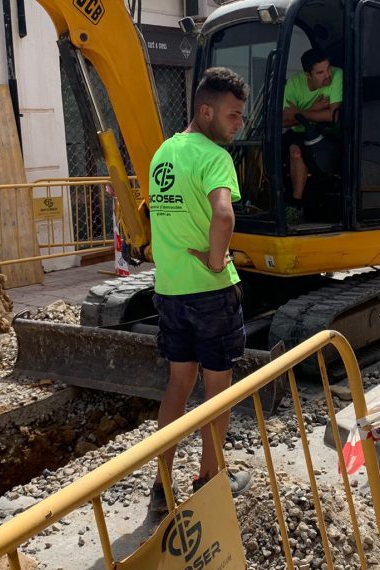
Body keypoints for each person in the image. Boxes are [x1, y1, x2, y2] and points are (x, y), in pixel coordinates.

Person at [147, 67, 253, 513]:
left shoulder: (164, 154)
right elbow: (223, 215)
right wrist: (215, 260)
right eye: (232, 115)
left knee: (177, 383)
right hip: (210, 294)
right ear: (205, 111)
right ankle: (210, 478)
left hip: (170, 291)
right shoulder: (214, 156)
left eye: (241, 116)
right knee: (218, 391)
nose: (238, 124)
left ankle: (162, 485)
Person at [281, 48, 343, 221]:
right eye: (320, 72)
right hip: (299, 133)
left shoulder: (338, 75)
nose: (328, 74)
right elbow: (282, 120)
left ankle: (296, 204)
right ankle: (295, 204)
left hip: (328, 134)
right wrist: (315, 110)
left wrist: (299, 114)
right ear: (308, 75)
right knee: (294, 150)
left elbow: (333, 116)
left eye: (328, 68)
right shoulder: (294, 83)